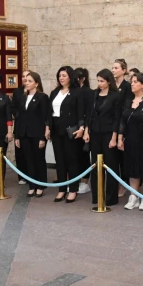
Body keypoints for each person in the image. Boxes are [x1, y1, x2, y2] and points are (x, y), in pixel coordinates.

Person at [118, 73, 143, 211]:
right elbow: (122, 120)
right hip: (130, 139)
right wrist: (120, 137)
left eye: (135, 82)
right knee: (132, 168)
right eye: (132, 81)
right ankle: (133, 196)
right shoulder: (128, 100)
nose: (132, 84)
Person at [83, 69, 122, 207]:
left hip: (109, 133)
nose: (99, 83)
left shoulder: (116, 96)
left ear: (109, 81)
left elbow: (117, 118)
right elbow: (89, 115)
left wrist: (114, 138)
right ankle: (97, 196)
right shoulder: (94, 94)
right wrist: (86, 131)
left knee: (111, 165)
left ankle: (111, 198)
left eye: (102, 81)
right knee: (95, 165)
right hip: (95, 132)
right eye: (98, 80)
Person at [50, 66, 85, 203]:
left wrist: (82, 127)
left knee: (72, 160)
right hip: (56, 130)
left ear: (70, 77)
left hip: (71, 130)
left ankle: (73, 189)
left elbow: (81, 112)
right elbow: (49, 112)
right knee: (60, 161)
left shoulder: (77, 92)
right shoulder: (54, 92)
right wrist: (47, 128)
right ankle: (62, 189)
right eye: (59, 76)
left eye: (64, 75)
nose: (61, 78)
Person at [14, 71, 50, 198]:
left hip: (37, 134)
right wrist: (17, 135)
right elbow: (19, 118)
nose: (27, 83)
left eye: (30, 81)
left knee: (38, 159)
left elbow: (45, 118)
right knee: (28, 160)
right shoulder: (23, 97)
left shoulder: (42, 97)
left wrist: (43, 137)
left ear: (36, 83)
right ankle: (32, 185)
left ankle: (40, 185)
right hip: (24, 134)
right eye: (26, 80)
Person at [112, 59, 131, 197]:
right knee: (114, 158)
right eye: (112, 68)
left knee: (124, 157)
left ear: (124, 70)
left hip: (123, 123)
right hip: (111, 122)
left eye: (116, 68)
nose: (113, 70)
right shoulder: (111, 85)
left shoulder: (127, 86)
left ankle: (124, 183)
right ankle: (114, 182)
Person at [11, 70, 32, 185]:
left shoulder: (35, 91)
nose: (25, 78)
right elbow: (13, 107)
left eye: (27, 76)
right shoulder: (17, 91)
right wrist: (19, 115)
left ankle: (32, 175)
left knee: (31, 153)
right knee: (20, 152)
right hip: (20, 125)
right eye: (23, 76)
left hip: (32, 127)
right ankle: (22, 176)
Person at [74, 67, 92, 195]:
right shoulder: (72, 91)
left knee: (83, 155)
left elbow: (88, 112)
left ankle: (84, 182)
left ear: (83, 79)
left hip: (84, 126)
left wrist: (85, 128)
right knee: (74, 156)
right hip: (72, 127)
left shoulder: (88, 92)